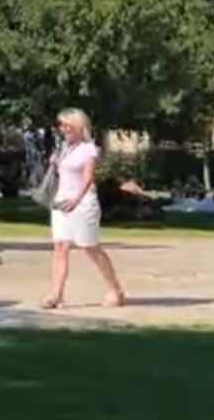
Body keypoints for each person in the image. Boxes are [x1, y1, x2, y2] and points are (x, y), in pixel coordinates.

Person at [42, 107, 126, 310]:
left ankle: (115, 289)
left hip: (83, 202)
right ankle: (56, 294)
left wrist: (77, 199)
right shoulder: (63, 147)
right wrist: (53, 163)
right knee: (60, 247)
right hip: (61, 201)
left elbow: (88, 177)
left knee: (90, 247)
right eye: (61, 125)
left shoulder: (88, 149)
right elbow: (59, 173)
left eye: (67, 125)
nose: (63, 129)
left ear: (79, 126)